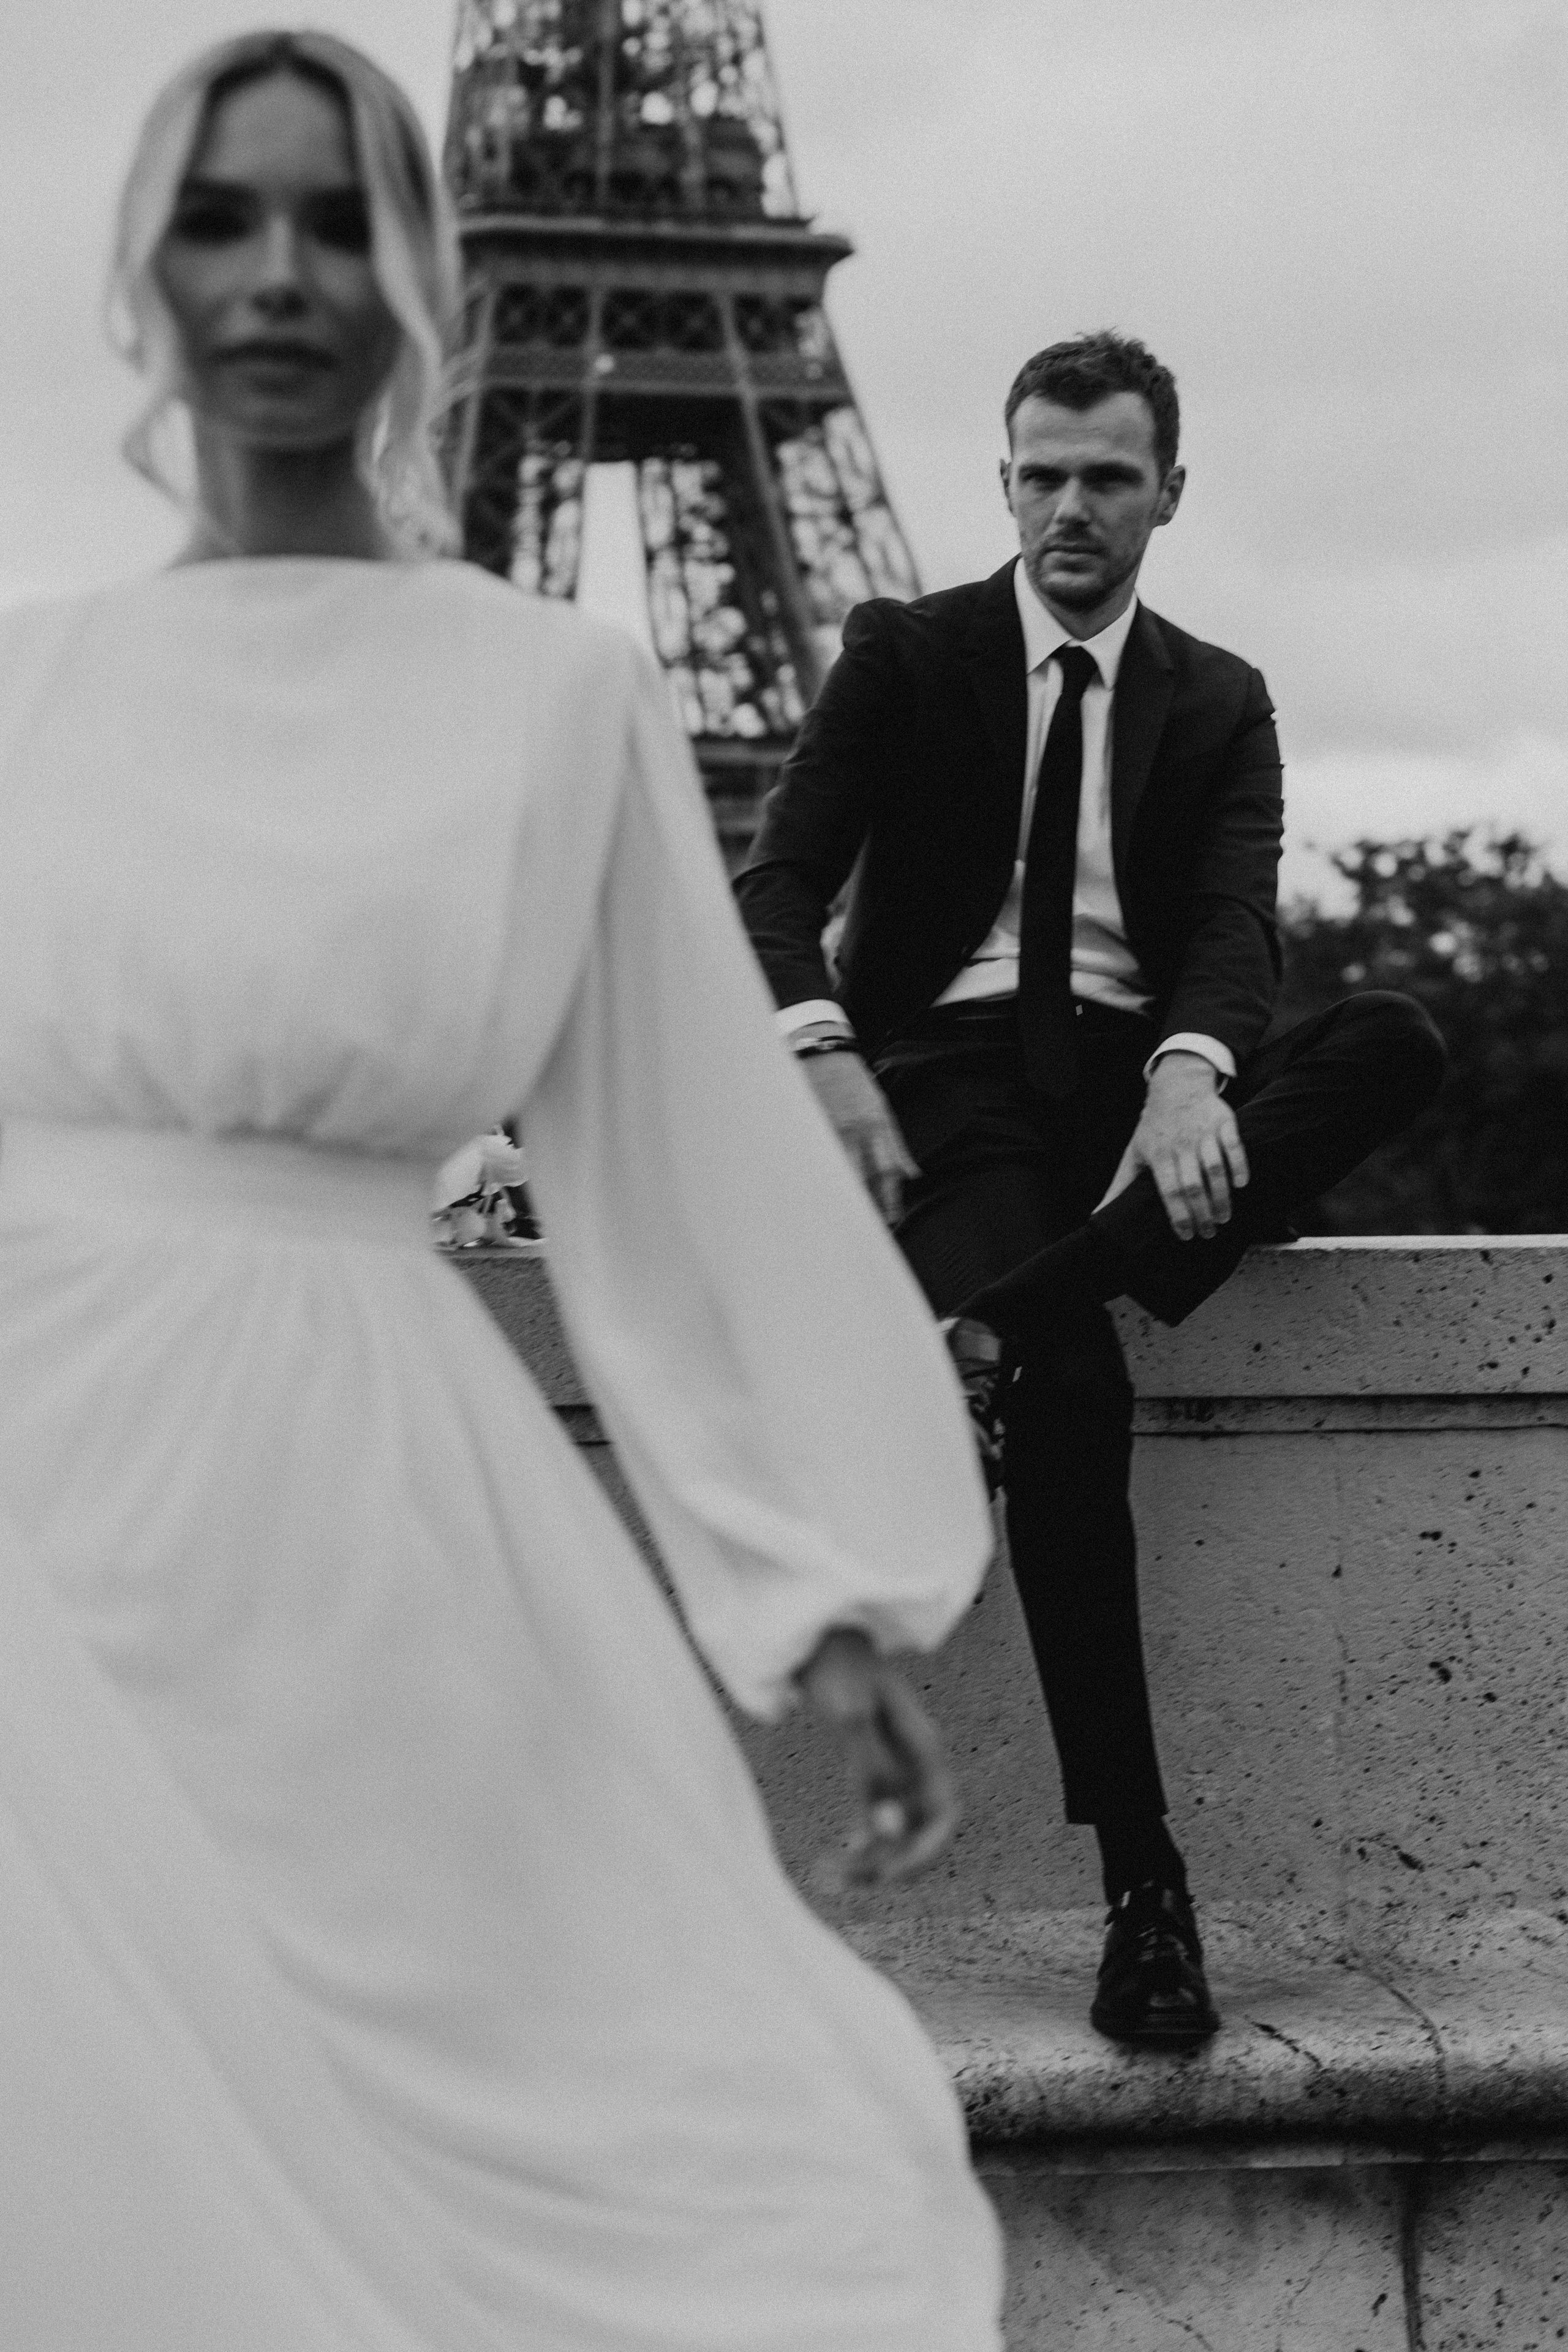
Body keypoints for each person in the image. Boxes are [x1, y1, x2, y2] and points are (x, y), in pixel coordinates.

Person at [0, 32, 1006, 2349]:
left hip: (374, 1567)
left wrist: (832, 1584)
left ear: (430, 269)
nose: (280, 276)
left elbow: (687, 1165)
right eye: (222, 220)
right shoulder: (32, 685)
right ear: (144, 274)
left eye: (341, 220)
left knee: (570, 2176)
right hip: (48, 1556)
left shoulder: (554, 698)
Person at [735, 331, 1447, 2048]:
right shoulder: (905, 657)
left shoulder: (1221, 698)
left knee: (1397, 1037)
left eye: (1107, 478)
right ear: (1005, 483)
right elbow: (772, 889)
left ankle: (1009, 1305)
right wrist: (825, 1055)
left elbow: (1231, 929)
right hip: (949, 1100)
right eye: (1042, 474)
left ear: (1168, 495)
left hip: (1136, 1101)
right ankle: (1145, 1876)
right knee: (1079, 1388)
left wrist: (1195, 1069)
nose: (1070, 507)